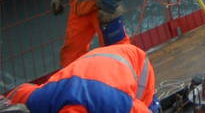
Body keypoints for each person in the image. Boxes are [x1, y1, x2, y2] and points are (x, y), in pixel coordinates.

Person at [6, 43, 159, 113]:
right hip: (101, 66)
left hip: (136, 63)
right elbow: (17, 94)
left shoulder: (116, 104)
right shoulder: (45, 99)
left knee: (148, 106)